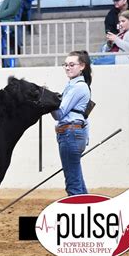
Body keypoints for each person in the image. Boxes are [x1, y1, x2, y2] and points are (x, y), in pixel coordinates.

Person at [51, 50, 92, 196]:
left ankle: (77, 215)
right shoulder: (75, 86)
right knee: (77, 178)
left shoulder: (78, 87)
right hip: (73, 133)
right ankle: (89, 210)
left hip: (70, 133)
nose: (68, 68)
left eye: (72, 64)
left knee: (73, 182)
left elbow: (59, 113)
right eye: (66, 65)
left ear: (82, 66)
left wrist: (49, 103)